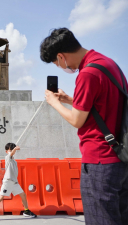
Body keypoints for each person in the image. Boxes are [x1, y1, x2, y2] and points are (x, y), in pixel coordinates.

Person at [40, 27, 128, 225]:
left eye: (57, 63)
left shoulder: (87, 74)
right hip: (120, 158)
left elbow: (77, 120)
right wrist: (71, 100)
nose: (61, 67)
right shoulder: (107, 64)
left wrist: (55, 103)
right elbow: (105, 105)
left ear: (61, 56)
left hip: (99, 161)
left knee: (101, 219)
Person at [0, 143, 37, 222]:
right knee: (1, 197)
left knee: (23, 195)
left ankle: (26, 211)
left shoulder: (14, 161)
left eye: (12, 149)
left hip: (14, 182)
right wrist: (15, 149)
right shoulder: (8, 158)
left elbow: (13, 153)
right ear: (6, 151)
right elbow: (12, 153)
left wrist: (14, 149)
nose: (12, 151)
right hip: (7, 182)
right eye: (10, 150)